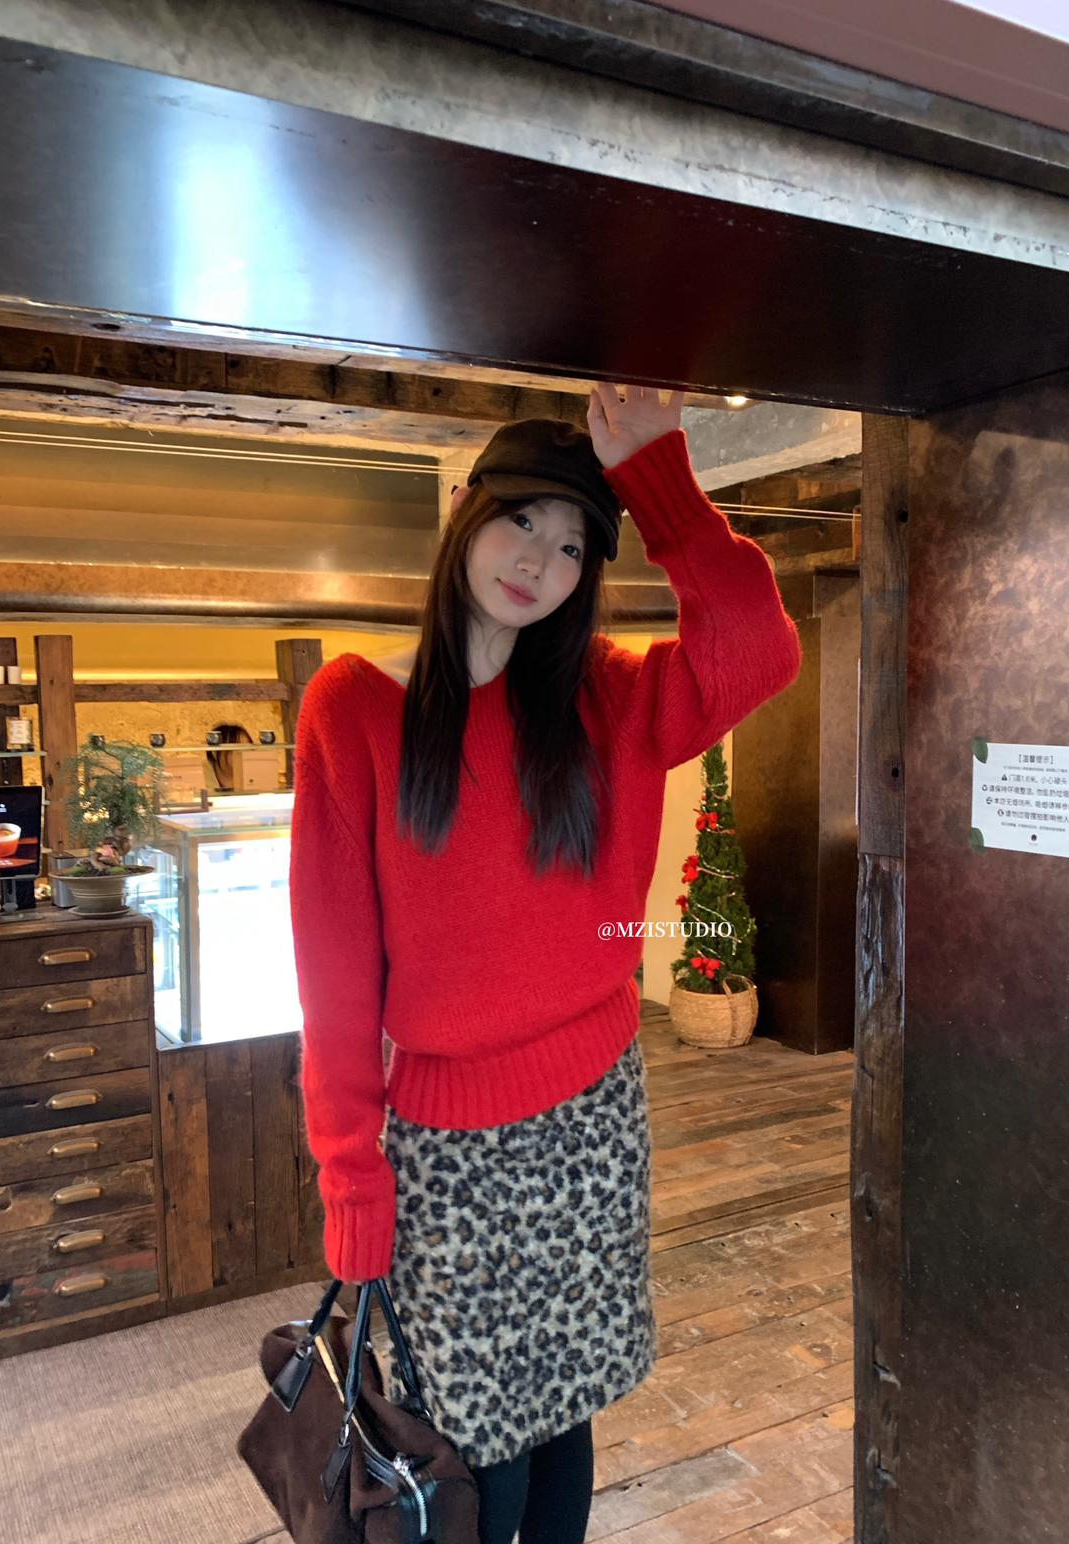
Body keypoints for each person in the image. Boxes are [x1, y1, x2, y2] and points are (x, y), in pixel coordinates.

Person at [288, 383, 803, 1543]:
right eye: (522, 519)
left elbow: (759, 650)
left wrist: (662, 481)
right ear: (464, 511)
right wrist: (351, 1175)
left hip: (593, 1118)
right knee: (477, 1457)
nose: (540, 560)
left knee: (567, 1415)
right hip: (444, 1150)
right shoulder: (355, 709)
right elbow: (332, 974)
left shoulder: (606, 696)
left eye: (574, 545)